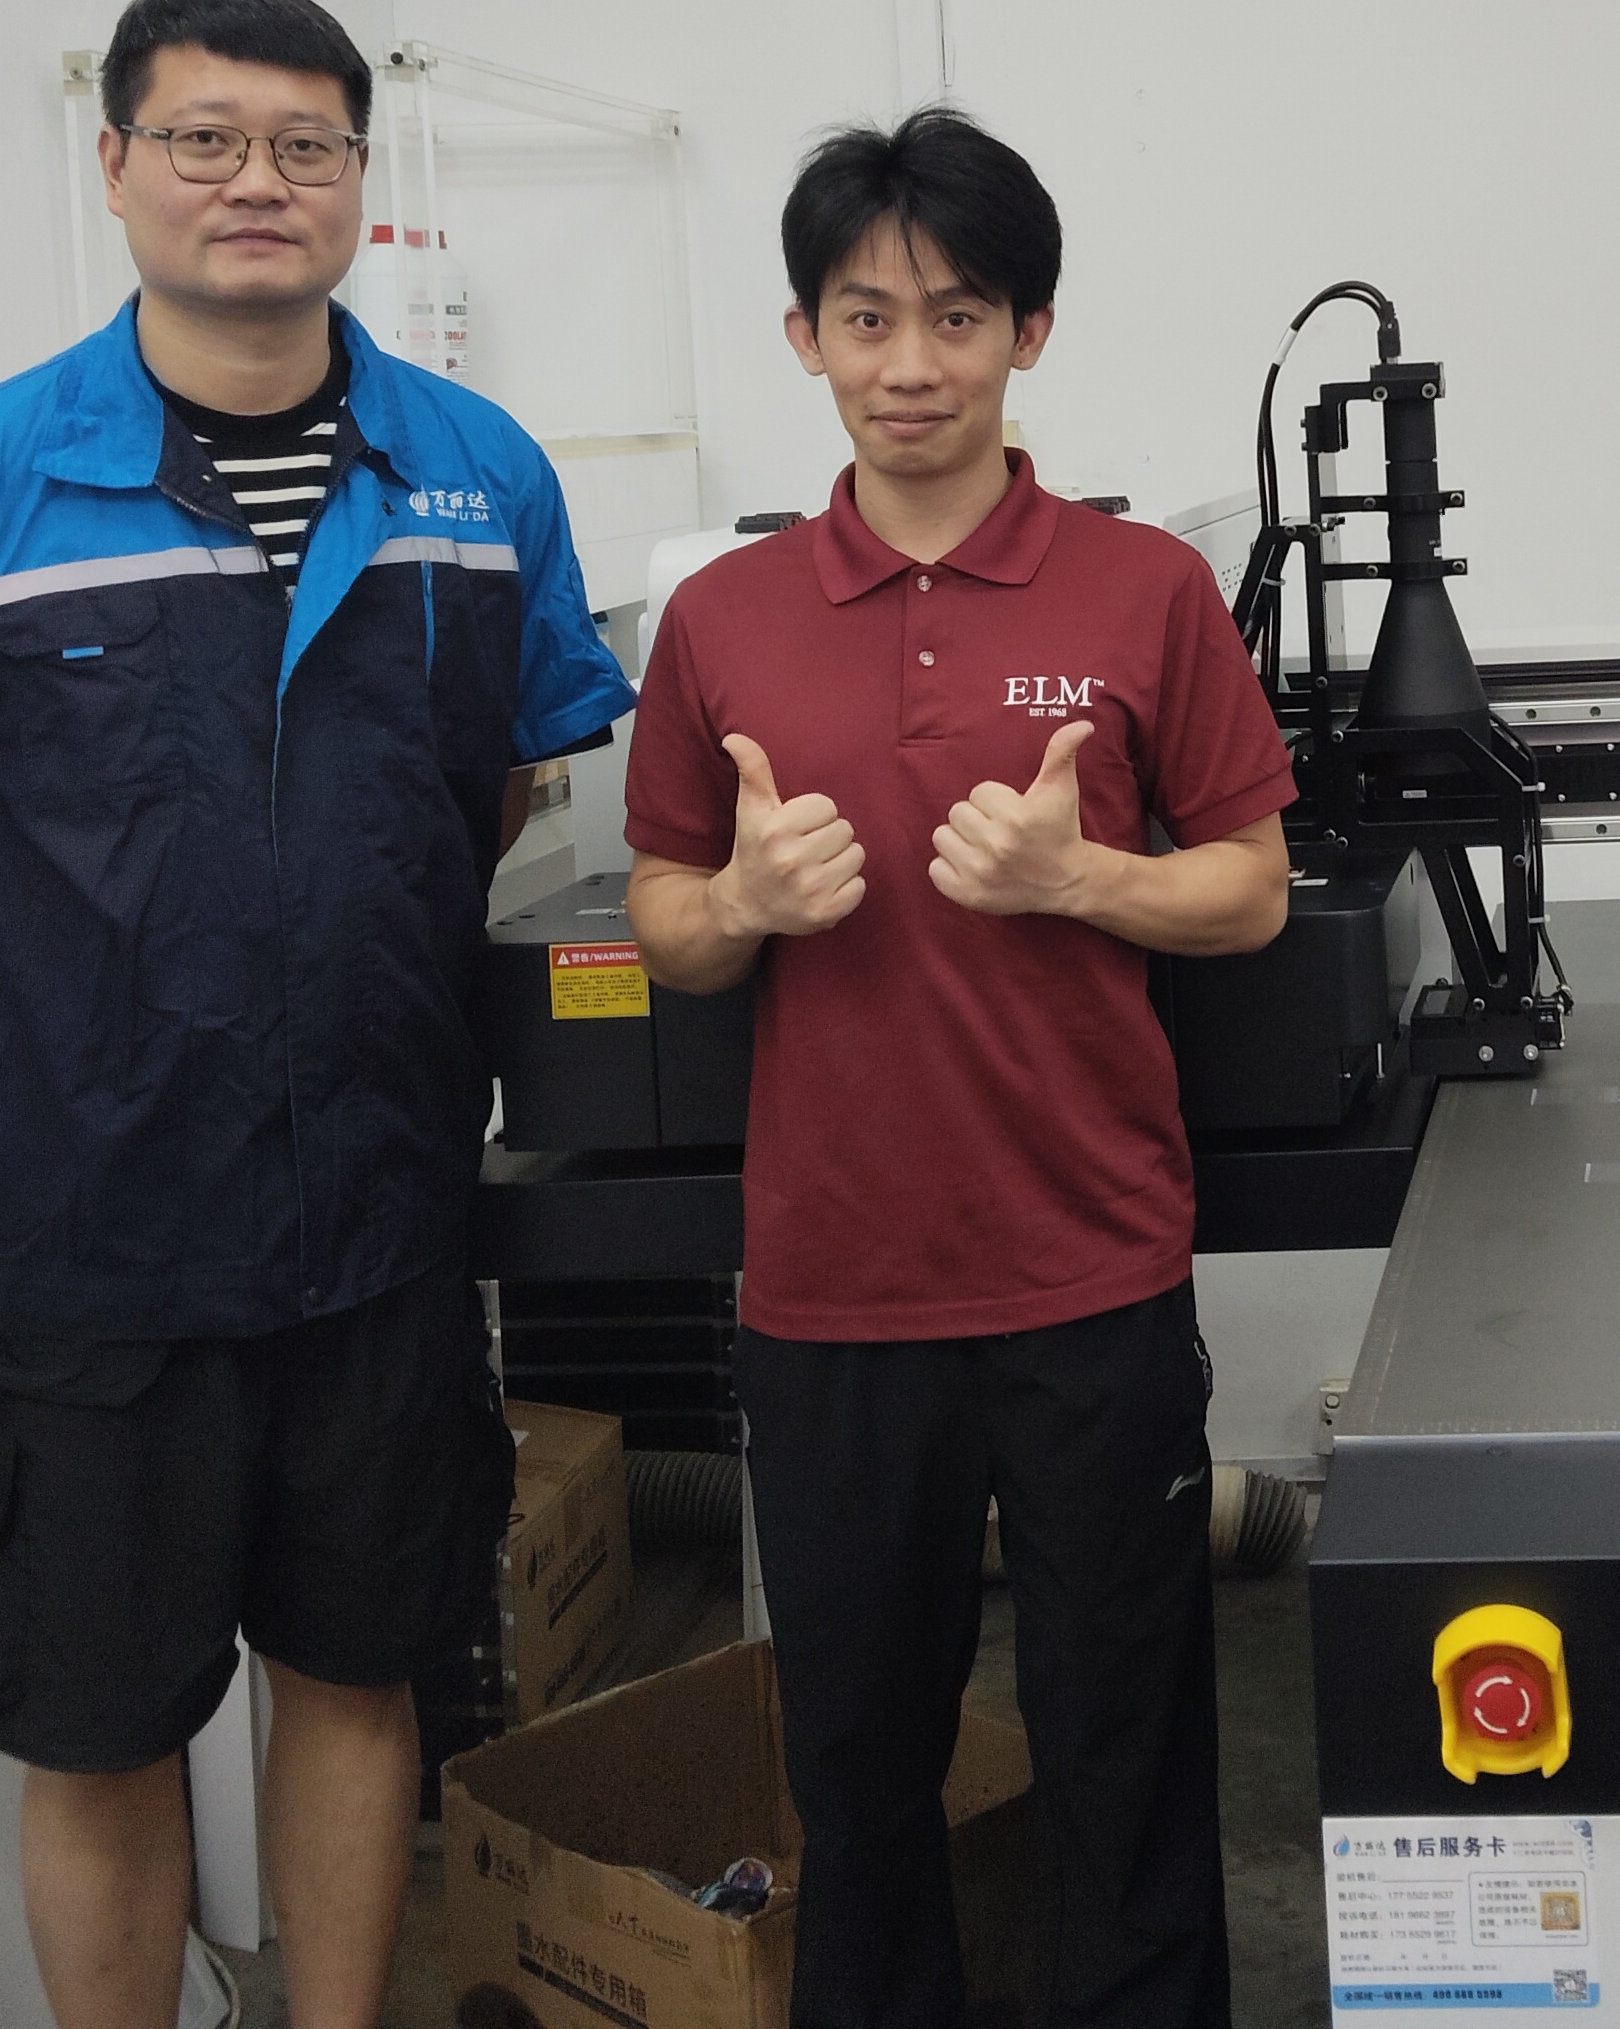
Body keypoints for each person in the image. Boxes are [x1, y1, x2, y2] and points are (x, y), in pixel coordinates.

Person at [0, 0, 636, 2029]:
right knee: (97, 1726)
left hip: (378, 1214)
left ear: (356, 175)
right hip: (92, 1236)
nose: (258, 181)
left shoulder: (477, 478)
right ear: (116, 166)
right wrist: (126, 980)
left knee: (359, 1672)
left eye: (304, 144)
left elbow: (499, 791)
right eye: (204, 138)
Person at [622, 110, 1294, 2029]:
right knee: (856, 1767)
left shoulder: (1144, 590)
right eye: (867, 318)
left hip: (1091, 1270)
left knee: (1126, 1748)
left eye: (959, 317)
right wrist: (742, 900)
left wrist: (1086, 880)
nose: (911, 365)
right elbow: (664, 917)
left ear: (1030, 333)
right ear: (804, 339)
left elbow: (1251, 889)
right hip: (833, 1290)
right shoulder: (722, 620)